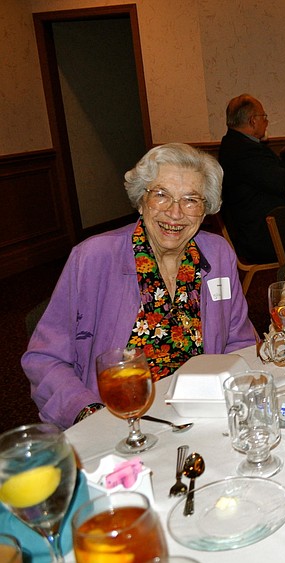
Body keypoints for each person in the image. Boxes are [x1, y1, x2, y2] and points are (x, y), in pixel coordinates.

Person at [22, 144, 257, 429]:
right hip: (117, 419)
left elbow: (239, 342)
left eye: (190, 200)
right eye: (161, 195)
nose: (174, 213)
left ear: (205, 209)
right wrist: (87, 412)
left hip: (203, 413)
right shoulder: (94, 257)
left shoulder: (217, 254)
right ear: (141, 201)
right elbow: (45, 359)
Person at [218, 93, 285, 263]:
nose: (266, 122)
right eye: (264, 117)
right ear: (252, 121)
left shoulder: (233, 144)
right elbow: (281, 182)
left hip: (251, 229)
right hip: (260, 236)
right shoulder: (245, 151)